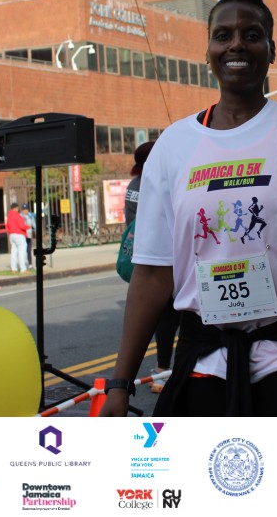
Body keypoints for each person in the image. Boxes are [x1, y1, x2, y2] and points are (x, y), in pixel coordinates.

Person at [101, 0, 277, 417]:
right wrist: (119, 384)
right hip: (204, 360)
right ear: (208, 50)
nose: (237, 45)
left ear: (272, 50)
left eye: (252, 35)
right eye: (223, 35)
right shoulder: (173, 146)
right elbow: (151, 274)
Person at [124, 141, 177, 394]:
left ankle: (161, 372)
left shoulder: (133, 184)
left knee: (164, 319)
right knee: (172, 318)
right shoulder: (153, 182)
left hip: (143, 254)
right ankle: (164, 372)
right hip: (162, 256)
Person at [5, 202, 30, 274]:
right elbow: (22, 226)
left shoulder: (9, 217)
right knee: (22, 251)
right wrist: (28, 227)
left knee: (14, 252)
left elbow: (7, 227)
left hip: (12, 235)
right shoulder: (18, 216)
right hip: (19, 235)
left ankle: (14, 268)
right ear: (16, 208)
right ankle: (23, 269)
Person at [22, 203, 35, 269]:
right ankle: (23, 264)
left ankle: (30, 264)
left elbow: (37, 214)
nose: (25, 211)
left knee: (29, 250)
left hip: (29, 235)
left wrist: (45, 208)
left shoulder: (30, 215)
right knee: (23, 250)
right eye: (24, 209)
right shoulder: (20, 216)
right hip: (23, 235)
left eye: (26, 209)